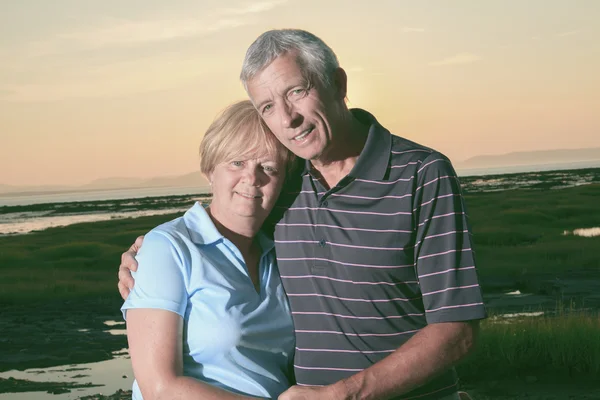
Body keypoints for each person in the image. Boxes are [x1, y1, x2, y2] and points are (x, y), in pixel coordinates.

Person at [119, 29, 486, 400]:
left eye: (297, 91)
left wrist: (343, 395)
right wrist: (148, 255)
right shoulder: (286, 184)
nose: (287, 118)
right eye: (267, 107)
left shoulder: (421, 173)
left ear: (338, 83)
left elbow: (458, 330)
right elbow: (220, 224)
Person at [120, 100, 297, 400]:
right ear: (209, 170)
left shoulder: (284, 252)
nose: (252, 178)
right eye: (237, 162)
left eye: (268, 167)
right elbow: (159, 388)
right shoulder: (169, 248)